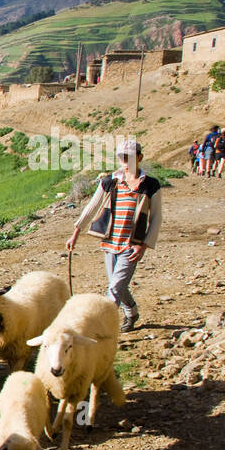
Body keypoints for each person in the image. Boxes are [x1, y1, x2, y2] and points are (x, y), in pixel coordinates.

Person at [66, 138, 162, 332]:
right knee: (117, 285)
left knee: (115, 288)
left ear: (140, 157)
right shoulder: (110, 182)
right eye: (122, 158)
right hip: (110, 242)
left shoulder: (150, 185)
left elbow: (157, 217)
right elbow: (91, 207)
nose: (125, 162)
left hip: (131, 245)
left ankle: (102, 327)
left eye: (130, 158)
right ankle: (132, 312)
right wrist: (76, 232)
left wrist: (143, 245)